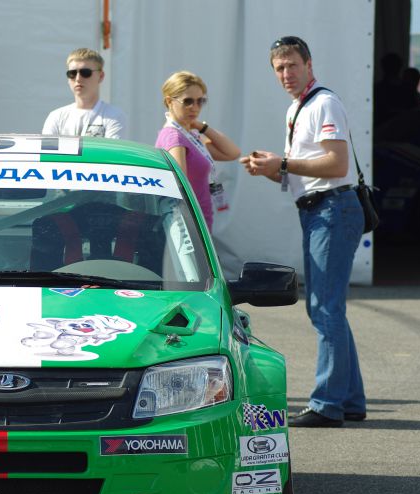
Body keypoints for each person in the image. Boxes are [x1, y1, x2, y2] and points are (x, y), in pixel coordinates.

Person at [239, 36, 366, 428]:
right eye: (279, 68)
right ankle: (349, 400)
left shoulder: (323, 102)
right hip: (320, 210)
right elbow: (309, 164)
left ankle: (328, 404)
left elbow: (336, 164)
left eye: (292, 65)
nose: (286, 74)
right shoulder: (299, 107)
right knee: (327, 309)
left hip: (333, 208)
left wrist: (285, 164)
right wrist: (273, 168)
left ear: (309, 64)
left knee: (325, 309)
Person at [154, 71, 240, 231]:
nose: (195, 107)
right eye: (188, 101)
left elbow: (232, 152)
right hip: (188, 222)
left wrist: (202, 126)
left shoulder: (189, 135)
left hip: (199, 218)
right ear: (169, 101)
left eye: (200, 101)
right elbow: (180, 186)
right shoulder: (174, 136)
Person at [42, 48, 126, 138]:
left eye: (85, 73)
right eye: (72, 73)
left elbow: (110, 152)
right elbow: (47, 150)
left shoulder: (114, 115)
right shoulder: (56, 117)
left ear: (101, 76)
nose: (78, 79)